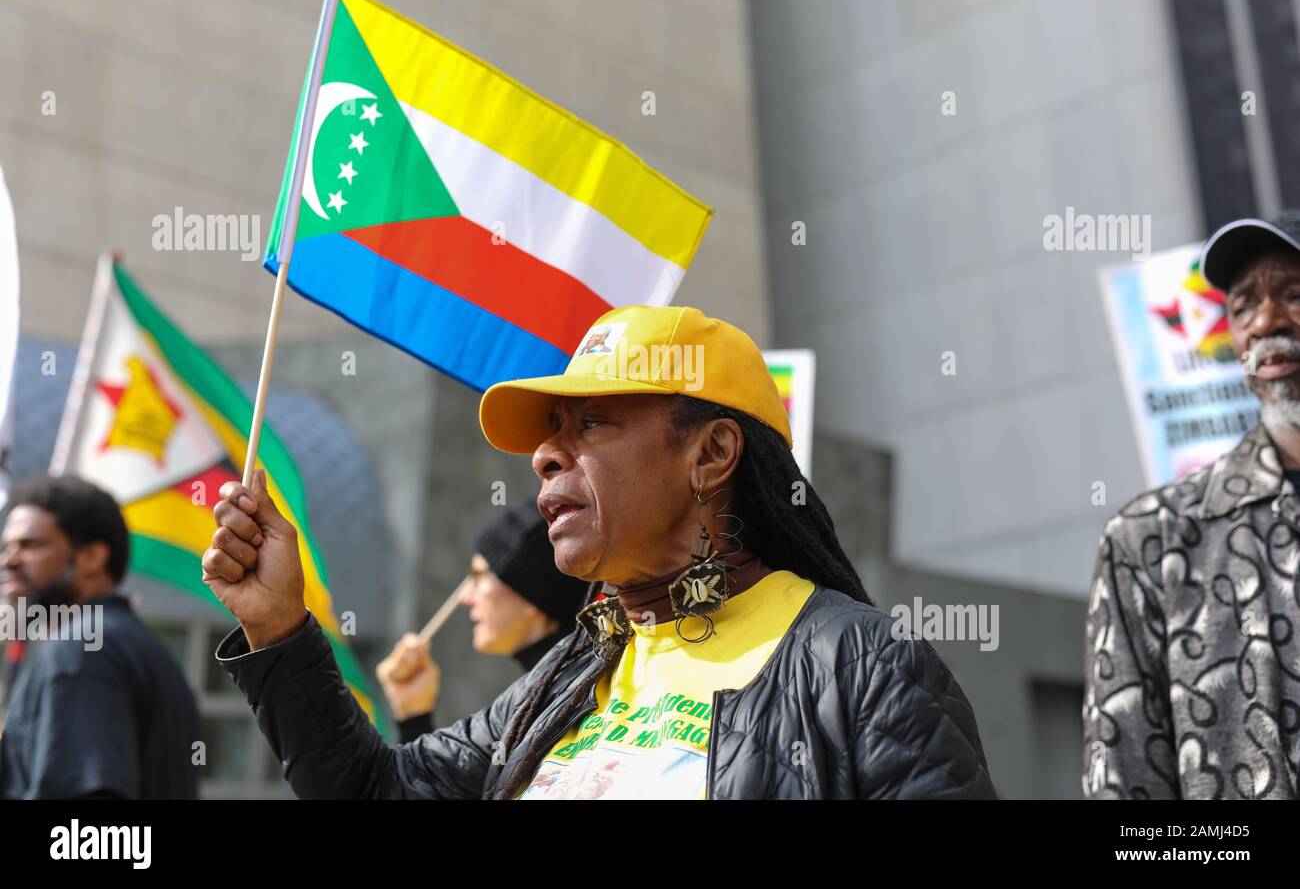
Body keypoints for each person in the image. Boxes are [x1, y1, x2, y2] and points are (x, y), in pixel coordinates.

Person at [205, 305, 996, 799]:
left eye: (590, 425)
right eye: (550, 433)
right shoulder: (571, 673)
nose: (546, 456)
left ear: (712, 454)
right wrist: (282, 624)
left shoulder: (863, 664)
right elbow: (374, 790)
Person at [1084, 211, 1300, 799]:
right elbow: (1124, 786)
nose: (1267, 321)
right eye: (1242, 306)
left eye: (1293, 294)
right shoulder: (1150, 540)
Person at [0, 476, 200, 799]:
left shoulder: (82, 650)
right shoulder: (135, 644)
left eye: (30, 545)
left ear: (92, 557)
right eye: (7, 547)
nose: (9, 560)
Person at [376, 500, 588, 742]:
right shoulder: (545, 693)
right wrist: (413, 715)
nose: (465, 597)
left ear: (531, 594)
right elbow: (425, 780)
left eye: (479, 575)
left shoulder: (557, 704)